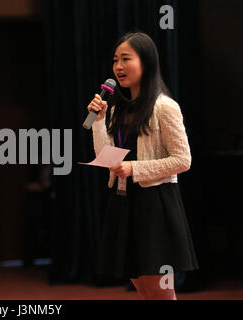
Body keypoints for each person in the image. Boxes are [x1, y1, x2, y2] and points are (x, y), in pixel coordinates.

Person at [87, 32, 198, 300]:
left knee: (161, 293)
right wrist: (99, 120)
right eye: (115, 60)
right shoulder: (116, 108)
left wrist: (135, 168)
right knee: (144, 290)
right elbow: (106, 156)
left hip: (155, 203)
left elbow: (183, 160)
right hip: (124, 201)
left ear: (146, 62)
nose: (119, 67)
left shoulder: (165, 107)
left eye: (126, 59)